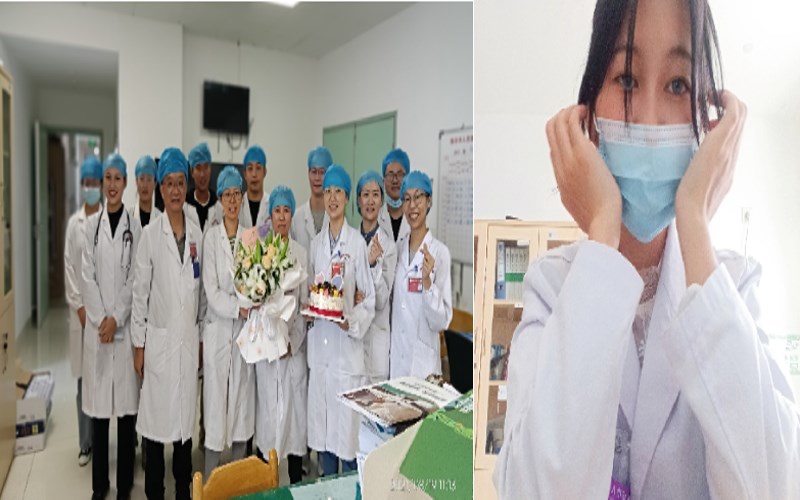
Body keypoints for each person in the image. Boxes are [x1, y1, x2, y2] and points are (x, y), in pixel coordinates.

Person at [494, 0, 800, 498]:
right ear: (589, 114)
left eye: (678, 85)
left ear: (709, 119)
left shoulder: (735, 286)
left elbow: (774, 486)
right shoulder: (552, 287)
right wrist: (603, 229)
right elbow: (532, 490)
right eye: (626, 80)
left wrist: (694, 221)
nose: (652, 121)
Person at [131, 147, 206, 500]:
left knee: (183, 436)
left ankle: (183, 495)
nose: (175, 191)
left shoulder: (196, 236)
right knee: (156, 432)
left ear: (186, 187)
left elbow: (200, 295)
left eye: (180, 183)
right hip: (159, 346)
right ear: (160, 189)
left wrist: (200, 339)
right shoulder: (151, 236)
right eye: (169, 184)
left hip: (187, 344)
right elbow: (139, 295)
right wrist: (139, 346)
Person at [306, 164, 375, 476]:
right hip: (322, 353)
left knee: (347, 445)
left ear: (347, 198)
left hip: (346, 354)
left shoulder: (357, 245)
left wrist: (350, 322)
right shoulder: (315, 245)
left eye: (338, 192)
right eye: (328, 191)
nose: (332, 198)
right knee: (324, 444)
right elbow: (311, 292)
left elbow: (368, 300)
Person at [81, 153, 142, 500]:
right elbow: (87, 277)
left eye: (118, 178)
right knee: (101, 415)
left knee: (126, 415)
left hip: (122, 328)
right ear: (103, 182)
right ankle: (99, 486)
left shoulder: (135, 226)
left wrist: (116, 317)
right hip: (99, 332)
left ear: (126, 183)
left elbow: (135, 279)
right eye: (108, 178)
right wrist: (101, 319)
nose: (113, 184)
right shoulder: (91, 228)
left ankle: (123, 487)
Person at [201, 165, 255, 479]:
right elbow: (212, 292)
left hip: (243, 336)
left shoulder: (251, 237)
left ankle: (236, 483)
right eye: (227, 195)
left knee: (241, 406)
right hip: (219, 332)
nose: (233, 200)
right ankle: (209, 483)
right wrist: (240, 308)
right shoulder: (211, 238)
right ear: (220, 199)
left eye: (237, 194)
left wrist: (250, 305)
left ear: (242, 197)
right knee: (215, 408)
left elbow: (257, 283)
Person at [254, 185, 309, 484]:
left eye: (287, 210)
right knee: (268, 424)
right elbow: (255, 302)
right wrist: (272, 339)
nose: (282, 216)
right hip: (267, 352)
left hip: (292, 351)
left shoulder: (301, 253)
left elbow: (305, 304)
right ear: (270, 215)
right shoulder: (260, 253)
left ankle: (295, 486)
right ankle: (267, 487)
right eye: (277, 210)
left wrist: (292, 342)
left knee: (295, 427)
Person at [390, 171, 452, 379]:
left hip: (423, 367)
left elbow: (440, 322)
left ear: (429, 201)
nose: (412, 205)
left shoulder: (440, 254)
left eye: (418, 197)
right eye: (407, 199)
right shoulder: (397, 249)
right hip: (397, 361)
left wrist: (427, 284)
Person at [64, 154, 102, 467]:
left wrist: (99, 312)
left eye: (95, 182)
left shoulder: (106, 220)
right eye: (87, 182)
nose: (91, 187)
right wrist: (79, 307)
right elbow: (69, 267)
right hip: (81, 317)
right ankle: (85, 443)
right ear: (82, 185)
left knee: (103, 381)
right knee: (82, 385)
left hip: (102, 316)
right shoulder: (73, 224)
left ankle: (102, 442)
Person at [355, 171, 397, 383]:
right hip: (353, 339)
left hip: (376, 342)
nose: (370, 201)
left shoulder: (388, 246)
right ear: (358, 201)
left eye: (375, 194)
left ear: (381, 201)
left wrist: (372, 265)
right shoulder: (351, 241)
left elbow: (380, 301)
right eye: (365, 194)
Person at [290, 146, 332, 252]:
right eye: (313, 171)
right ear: (308, 173)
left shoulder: (335, 216)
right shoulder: (296, 218)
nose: (317, 178)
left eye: (322, 172)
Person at [186, 142, 222, 231]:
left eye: (206, 167)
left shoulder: (219, 208)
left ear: (210, 169)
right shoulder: (184, 207)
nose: (202, 174)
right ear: (192, 172)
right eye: (198, 168)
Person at [378, 148, 410, 243]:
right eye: (390, 175)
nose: (395, 180)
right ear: (383, 181)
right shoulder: (375, 218)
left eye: (400, 175)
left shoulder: (416, 218)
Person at [239, 145, 270, 229]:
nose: (254, 174)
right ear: (245, 174)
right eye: (250, 168)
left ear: (265, 172)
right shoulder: (237, 206)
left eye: (258, 168)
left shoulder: (272, 206)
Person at [130, 155, 161, 228]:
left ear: (155, 184)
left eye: (149, 179)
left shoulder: (160, 219)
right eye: (141, 179)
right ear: (136, 182)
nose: (145, 185)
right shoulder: (128, 215)